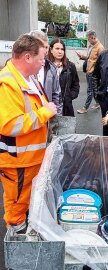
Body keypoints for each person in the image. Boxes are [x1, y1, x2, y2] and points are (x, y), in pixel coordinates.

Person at [0, 34, 57, 233]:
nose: (44, 63)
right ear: (27, 57)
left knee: (25, 203)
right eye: (41, 58)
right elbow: (10, 124)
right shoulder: (7, 84)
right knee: (17, 208)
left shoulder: (27, 79)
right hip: (19, 162)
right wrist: (45, 112)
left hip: (30, 159)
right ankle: (17, 241)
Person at [29, 30, 62, 115]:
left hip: (47, 116)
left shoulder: (52, 68)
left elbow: (56, 95)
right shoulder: (22, 69)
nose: (45, 51)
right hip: (29, 118)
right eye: (42, 47)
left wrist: (56, 115)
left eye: (46, 47)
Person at [48, 38, 80, 116]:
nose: (60, 51)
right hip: (49, 106)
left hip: (66, 107)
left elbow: (76, 84)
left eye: (62, 49)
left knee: (66, 127)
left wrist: (70, 96)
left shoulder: (70, 66)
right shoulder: (45, 66)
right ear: (51, 50)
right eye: (57, 48)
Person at [76, 30, 104, 114]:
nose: (88, 41)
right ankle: (98, 103)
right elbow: (90, 58)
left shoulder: (100, 48)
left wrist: (96, 74)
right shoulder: (91, 46)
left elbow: (101, 63)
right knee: (94, 90)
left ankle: (85, 108)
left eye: (88, 39)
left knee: (90, 90)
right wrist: (82, 56)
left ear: (93, 37)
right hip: (89, 71)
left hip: (93, 73)